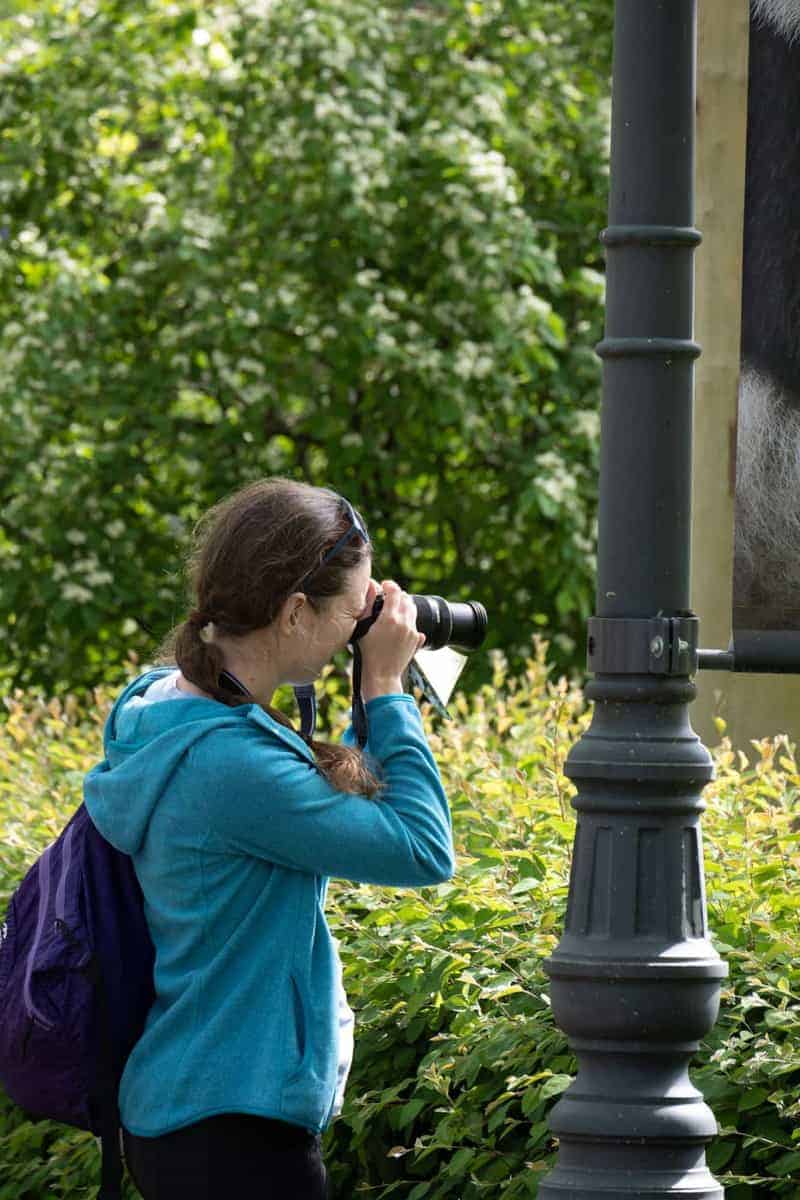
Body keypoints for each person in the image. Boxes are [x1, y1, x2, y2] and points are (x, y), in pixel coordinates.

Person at [83, 477, 455, 1200]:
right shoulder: (230, 764)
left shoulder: (168, 706)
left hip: (190, 1110)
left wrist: (373, 686)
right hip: (233, 1132)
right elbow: (421, 847)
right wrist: (383, 685)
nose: (357, 627)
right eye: (353, 611)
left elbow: (335, 797)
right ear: (293, 613)